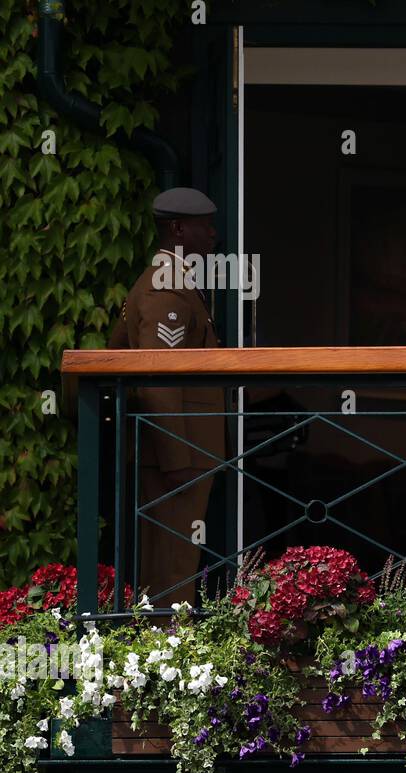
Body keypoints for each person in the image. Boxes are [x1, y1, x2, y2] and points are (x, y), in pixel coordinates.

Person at [108, 187, 227, 606]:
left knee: (171, 565)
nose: (213, 234)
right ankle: (166, 659)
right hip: (177, 456)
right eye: (204, 226)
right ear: (177, 228)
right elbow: (157, 378)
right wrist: (177, 460)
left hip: (179, 453)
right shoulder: (167, 288)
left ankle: (164, 653)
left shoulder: (172, 281)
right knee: (171, 571)